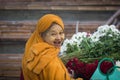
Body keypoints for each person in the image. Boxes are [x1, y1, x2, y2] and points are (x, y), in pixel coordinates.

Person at [21, 14, 82, 80]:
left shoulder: (31, 52)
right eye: (53, 34)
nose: (59, 38)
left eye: (61, 33)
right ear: (41, 36)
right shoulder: (50, 61)